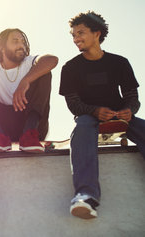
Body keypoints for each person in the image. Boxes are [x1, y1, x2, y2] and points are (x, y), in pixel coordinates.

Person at [60, 11, 145, 219]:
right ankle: (86, 195)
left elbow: (132, 97)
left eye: (80, 33)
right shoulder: (70, 67)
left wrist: (129, 110)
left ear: (97, 33)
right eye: (73, 35)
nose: (75, 38)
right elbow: (73, 104)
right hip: (89, 120)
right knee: (81, 128)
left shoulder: (120, 62)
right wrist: (95, 111)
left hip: (120, 118)